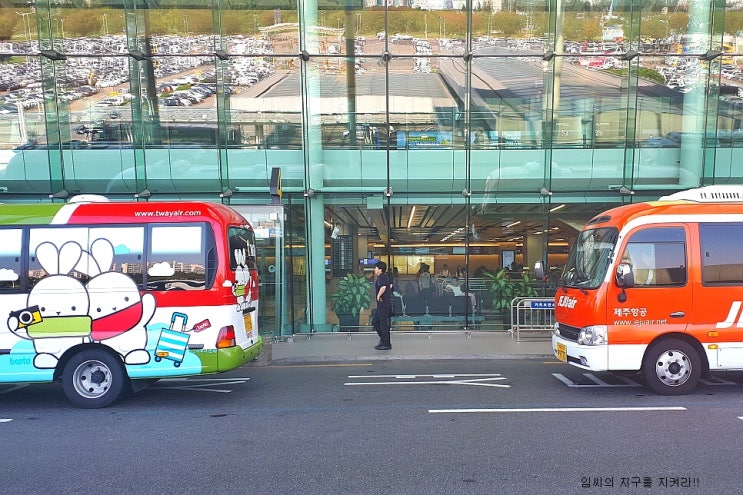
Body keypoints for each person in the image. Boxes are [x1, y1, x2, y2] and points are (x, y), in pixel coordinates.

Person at [372, 261, 393, 350]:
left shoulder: (382, 277)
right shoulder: (383, 277)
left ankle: (386, 344)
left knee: (383, 324)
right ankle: (383, 339)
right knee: (375, 322)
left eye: (376, 268)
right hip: (382, 304)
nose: (374, 270)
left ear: (380, 269)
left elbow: (384, 287)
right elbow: (390, 286)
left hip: (383, 304)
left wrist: (378, 295)